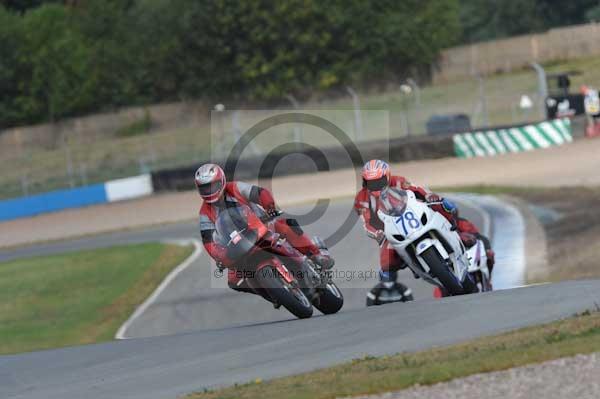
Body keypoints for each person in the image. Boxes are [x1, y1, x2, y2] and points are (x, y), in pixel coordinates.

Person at [354, 160, 495, 303]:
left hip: (412, 215)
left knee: (443, 206)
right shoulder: (361, 199)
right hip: (388, 230)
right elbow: (366, 221)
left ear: (387, 176)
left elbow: (417, 189)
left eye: (379, 181)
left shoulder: (398, 182)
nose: (376, 186)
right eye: (371, 183)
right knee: (386, 265)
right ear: (365, 183)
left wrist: (429, 196)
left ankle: (451, 225)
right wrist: (377, 233)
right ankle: (395, 283)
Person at [195, 163, 334, 301]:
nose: (209, 191)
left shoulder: (235, 188)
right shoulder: (204, 213)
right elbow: (208, 240)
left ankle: (317, 254)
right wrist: (219, 255)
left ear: (222, 181)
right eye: (204, 188)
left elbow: (260, 193)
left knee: (286, 224)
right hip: (238, 246)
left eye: (212, 186)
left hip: (263, 226)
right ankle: (273, 294)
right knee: (234, 281)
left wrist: (269, 207)